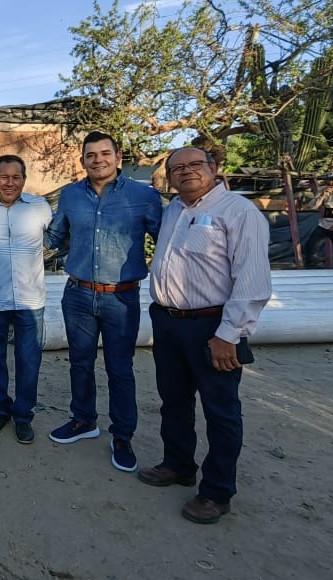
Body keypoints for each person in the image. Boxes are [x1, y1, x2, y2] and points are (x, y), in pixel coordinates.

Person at [140, 147, 271, 525]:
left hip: (212, 326)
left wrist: (229, 334)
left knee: (220, 410)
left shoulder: (238, 212)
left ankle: (216, 491)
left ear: (214, 169)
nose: (186, 172)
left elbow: (252, 280)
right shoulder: (175, 211)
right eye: (177, 168)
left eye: (195, 165)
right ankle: (178, 464)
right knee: (174, 400)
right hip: (169, 321)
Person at [45, 131, 162, 473]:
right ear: (82, 160)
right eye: (91, 155)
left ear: (118, 157)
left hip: (120, 298)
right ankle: (83, 420)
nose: (98, 160)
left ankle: (122, 436)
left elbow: (167, 239)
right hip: (78, 294)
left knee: (120, 369)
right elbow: (54, 236)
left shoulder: (145, 197)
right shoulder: (70, 196)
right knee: (79, 363)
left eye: (104, 153)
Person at [0, 155, 53, 445]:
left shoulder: (40, 208)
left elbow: (59, 237)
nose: (10, 183)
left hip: (30, 300)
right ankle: (0, 408)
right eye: (3, 177)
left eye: (16, 177)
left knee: (29, 359)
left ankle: (23, 415)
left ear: (24, 179)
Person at [303, 170, 333, 269]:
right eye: (331, 180)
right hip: (324, 224)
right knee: (311, 246)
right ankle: (311, 269)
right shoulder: (323, 189)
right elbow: (312, 206)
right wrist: (322, 196)